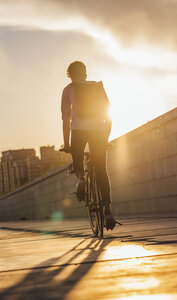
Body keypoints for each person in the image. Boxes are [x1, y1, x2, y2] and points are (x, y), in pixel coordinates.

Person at [61, 61, 118, 230]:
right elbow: (108, 113)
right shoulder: (97, 87)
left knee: (77, 159)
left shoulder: (68, 89)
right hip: (99, 130)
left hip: (79, 130)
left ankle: (81, 179)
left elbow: (65, 118)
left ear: (69, 75)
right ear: (85, 74)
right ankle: (107, 211)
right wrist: (106, 137)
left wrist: (66, 144)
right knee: (101, 170)